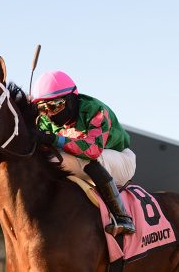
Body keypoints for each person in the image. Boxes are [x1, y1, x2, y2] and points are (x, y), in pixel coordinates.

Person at [31, 70, 136, 236]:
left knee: (92, 161)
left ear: (72, 99)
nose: (49, 115)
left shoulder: (96, 110)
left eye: (54, 106)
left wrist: (54, 139)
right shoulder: (44, 120)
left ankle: (122, 216)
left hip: (119, 158)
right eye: (42, 108)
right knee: (48, 161)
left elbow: (92, 150)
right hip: (83, 158)